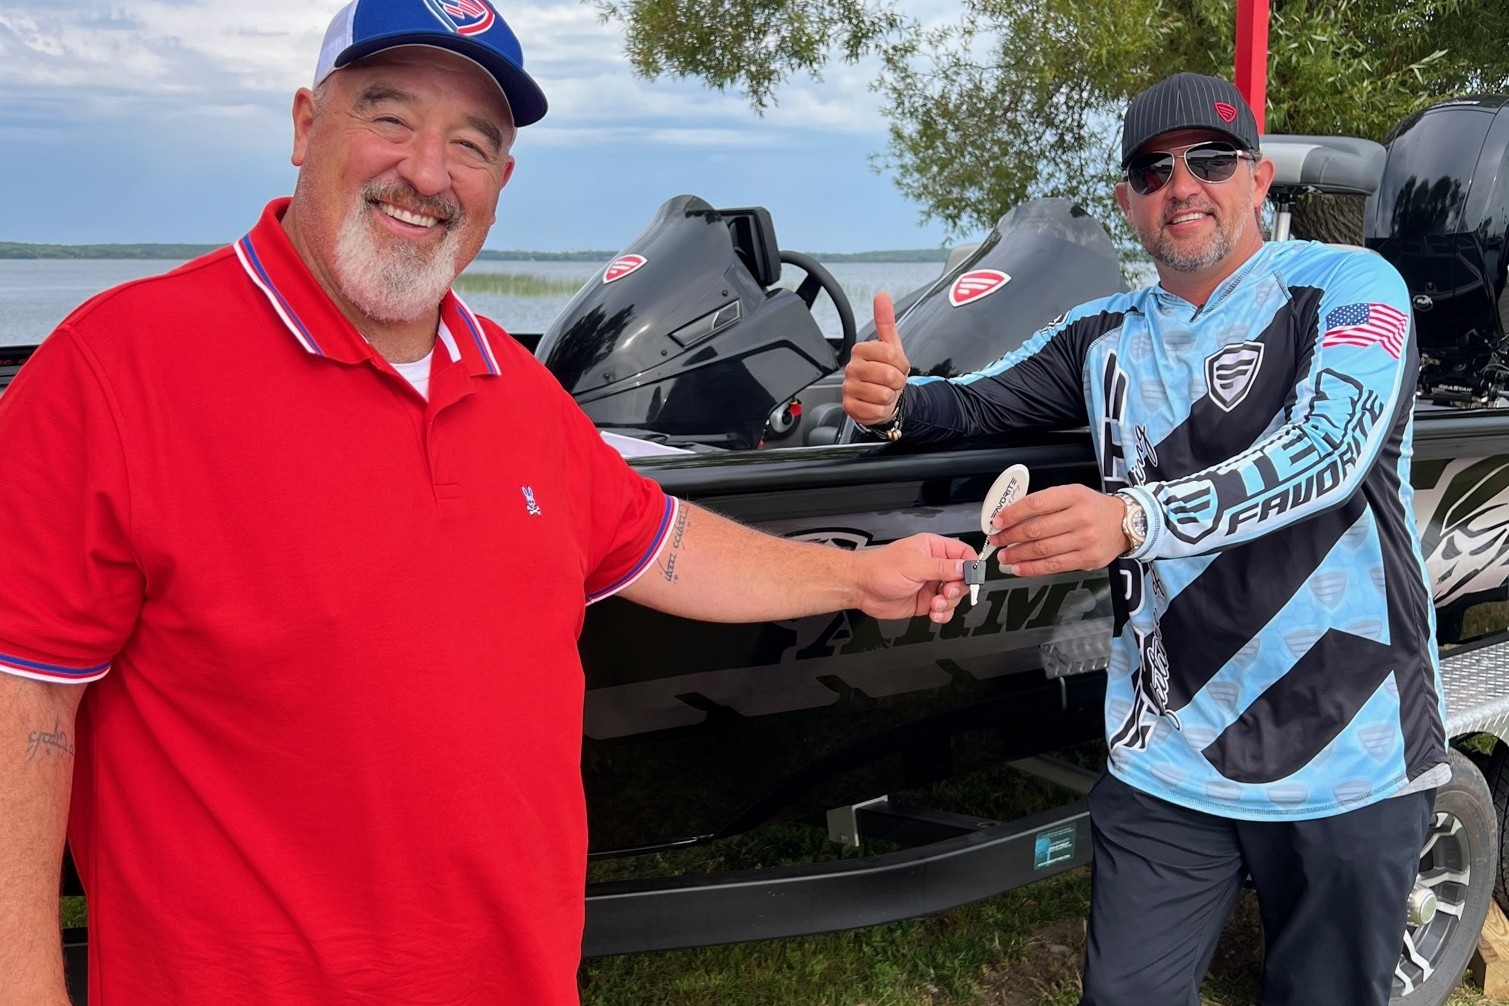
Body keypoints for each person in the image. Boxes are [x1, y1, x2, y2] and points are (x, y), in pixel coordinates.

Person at [0, 2, 976, 1004]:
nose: (428, 172)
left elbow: (658, 543)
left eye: (471, 143)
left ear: (500, 186)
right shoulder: (115, 368)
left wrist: (857, 576)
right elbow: (23, 700)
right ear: (305, 124)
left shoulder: (515, 385)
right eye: (389, 116)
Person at [843, 72, 1444, 1005]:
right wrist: (889, 401)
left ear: (1257, 180)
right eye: (1151, 170)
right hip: (1166, 761)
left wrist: (1131, 519)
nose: (1181, 185)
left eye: (1210, 160)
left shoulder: (1348, 285)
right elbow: (967, 406)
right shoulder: (1102, 332)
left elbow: (1328, 449)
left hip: (1350, 757)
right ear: (1127, 202)